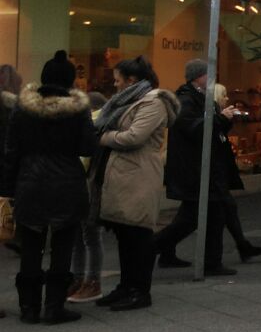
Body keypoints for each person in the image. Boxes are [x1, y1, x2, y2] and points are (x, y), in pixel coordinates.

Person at [1, 51, 95, 323]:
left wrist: (8, 189)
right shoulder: (78, 110)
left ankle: (29, 308)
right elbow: (88, 146)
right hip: (67, 183)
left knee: (31, 246)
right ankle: (54, 307)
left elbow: (11, 150)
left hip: (29, 182)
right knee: (63, 248)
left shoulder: (23, 107)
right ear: (69, 81)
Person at [91, 56, 179, 311]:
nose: (115, 84)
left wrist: (103, 136)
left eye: (118, 80)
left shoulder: (154, 102)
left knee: (138, 235)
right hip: (121, 177)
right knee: (124, 234)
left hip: (137, 176)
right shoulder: (128, 101)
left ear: (132, 80)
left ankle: (140, 290)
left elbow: (134, 136)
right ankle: (126, 286)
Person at [152, 59, 239, 278]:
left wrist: (224, 119)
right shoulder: (187, 100)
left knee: (206, 217)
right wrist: (221, 118)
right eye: (208, 74)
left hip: (203, 169)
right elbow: (196, 129)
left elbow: (208, 127)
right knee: (194, 219)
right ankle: (152, 248)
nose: (211, 78)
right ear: (198, 77)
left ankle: (169, 253)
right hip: (196, 170)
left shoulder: (198, 99)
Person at [211, 83, 261, 264]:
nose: (227, 99)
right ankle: (159, 246)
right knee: (189, 221)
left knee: (228, 209)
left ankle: (243, 245)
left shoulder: (216, 117)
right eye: (224, 95)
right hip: (213, 174)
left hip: (217, 174)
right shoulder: (212, 117)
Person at [65, 90, 110, 303]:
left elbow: (83, 157)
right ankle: (86, 280)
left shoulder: (92, 125)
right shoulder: (103, 123)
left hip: (86, 185)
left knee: (86, 236)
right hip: (91, 185)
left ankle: (87, 281)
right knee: (87, 236)